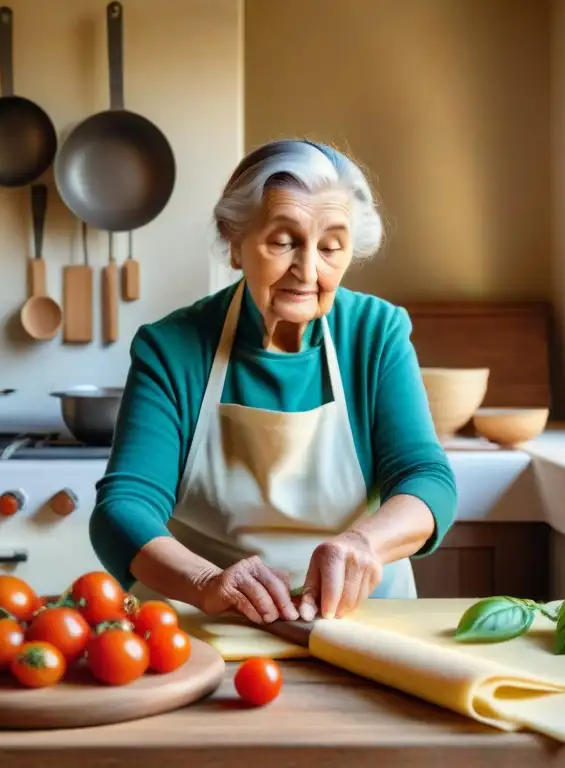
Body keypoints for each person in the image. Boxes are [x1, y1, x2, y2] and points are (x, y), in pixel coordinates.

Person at [89, 138, 457, 624]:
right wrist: (205, 581)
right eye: (283, 242)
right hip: (207, 624)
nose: (307, 271)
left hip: (359, 622)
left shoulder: (376, 333)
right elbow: (124, 507)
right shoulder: (172, 347)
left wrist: (365, 544)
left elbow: (426, 479)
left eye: (331, 247)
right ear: (233, 241)